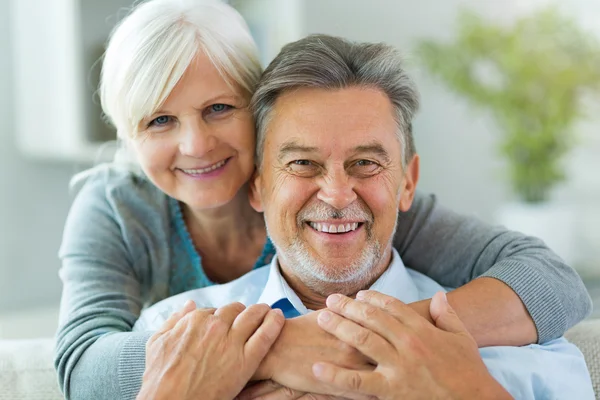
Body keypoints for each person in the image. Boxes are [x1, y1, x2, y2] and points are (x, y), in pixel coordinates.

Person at [53, 0, 592, 399]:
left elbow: (552, 281)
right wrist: (276, 348)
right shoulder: (160, 306)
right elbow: (82, 368)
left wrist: (384, 340)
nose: (196, 144)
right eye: (160, 120)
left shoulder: (518, 350)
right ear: (262, 183)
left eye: (218, 108)